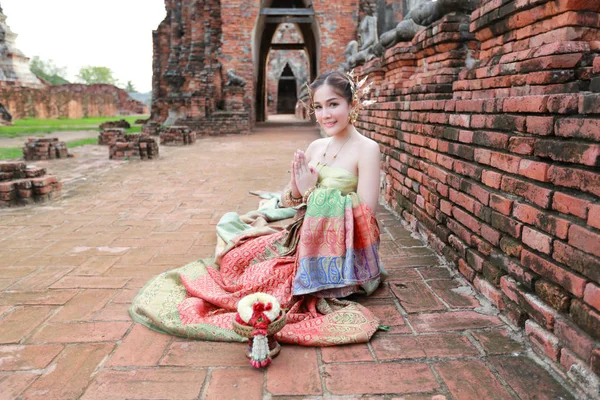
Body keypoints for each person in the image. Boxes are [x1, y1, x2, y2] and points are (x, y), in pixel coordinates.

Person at [130, 70, 386, 346]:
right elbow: (291, 201)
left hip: (336, 256)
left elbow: (366, 216)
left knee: (267, 282)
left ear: (352, 104)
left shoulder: (366, 149)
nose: (325, 114)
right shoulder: (316, 146)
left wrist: (312, 190)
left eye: (333, 104)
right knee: (236, 261)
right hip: (298, 239)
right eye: (318, 107)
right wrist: (296, 184)